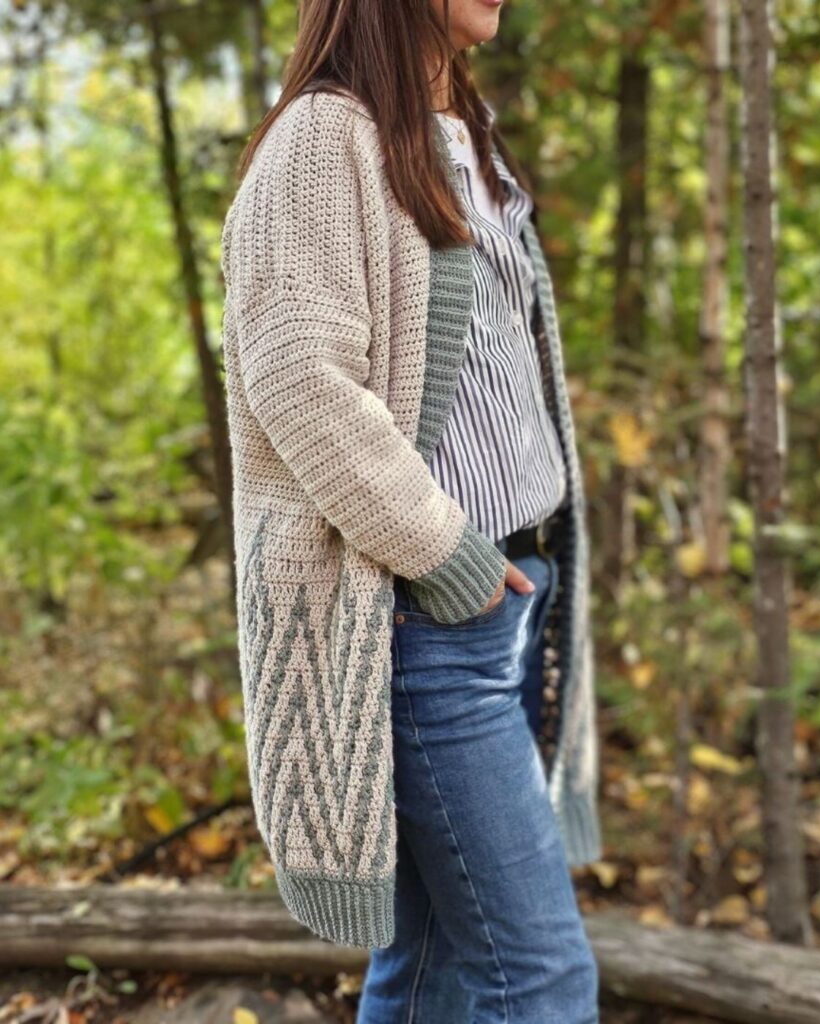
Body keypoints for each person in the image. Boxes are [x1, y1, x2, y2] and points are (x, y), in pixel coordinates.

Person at [220, 1, 602, 1021]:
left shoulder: (462, 133)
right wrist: (449, 559)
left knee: (427, 962)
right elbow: (299, 379)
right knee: (541, 975)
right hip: (424, 619)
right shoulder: (321, 139)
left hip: (503, 599)